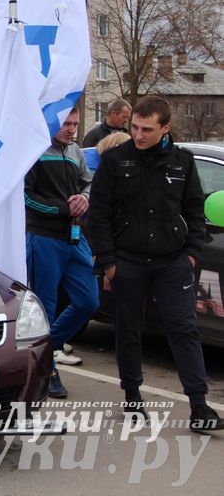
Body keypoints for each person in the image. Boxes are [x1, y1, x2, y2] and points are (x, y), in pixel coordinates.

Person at [89, 96, 222, 430]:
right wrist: (108, 262)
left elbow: (195, 210)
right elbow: (99, 214)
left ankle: (199, 406)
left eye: (147, 129)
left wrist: (191, 254)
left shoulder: (182, 161)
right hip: (128, 262)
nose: (138, 135)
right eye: (134, 127)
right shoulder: (117, 160)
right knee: (130, 331)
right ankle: (133, 397)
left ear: (165, 128)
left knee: (184, 329)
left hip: (172, 263)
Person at [24, 108, 98, 397]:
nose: (71, 129)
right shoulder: (34, 149)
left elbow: (88, 183)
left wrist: (84, 198)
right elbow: (25, 195)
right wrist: (61, 208)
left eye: (75, 124)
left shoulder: (75, 150)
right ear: (51, 123)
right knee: (46, 306)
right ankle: (48, 370)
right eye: (66, 123)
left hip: (75, 236)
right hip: (44, 237)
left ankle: (46, 349)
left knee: (88, 301)